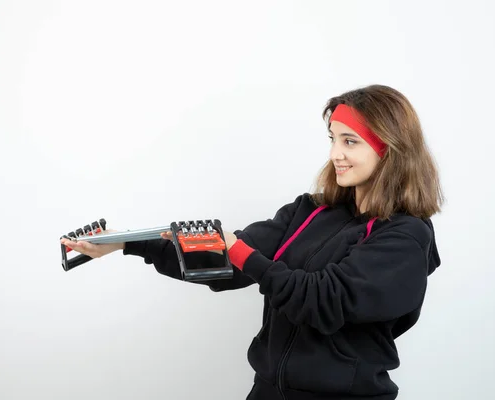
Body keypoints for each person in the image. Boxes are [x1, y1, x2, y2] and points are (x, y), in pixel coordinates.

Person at [60, 84, 443, 400]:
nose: (335, 154)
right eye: (332, 139)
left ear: (388, 149)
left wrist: (241, 252)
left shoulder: (405, 236)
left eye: (350, 142)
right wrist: (127, 244)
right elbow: (225, 262)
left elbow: (322, 299)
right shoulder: (310, 210)